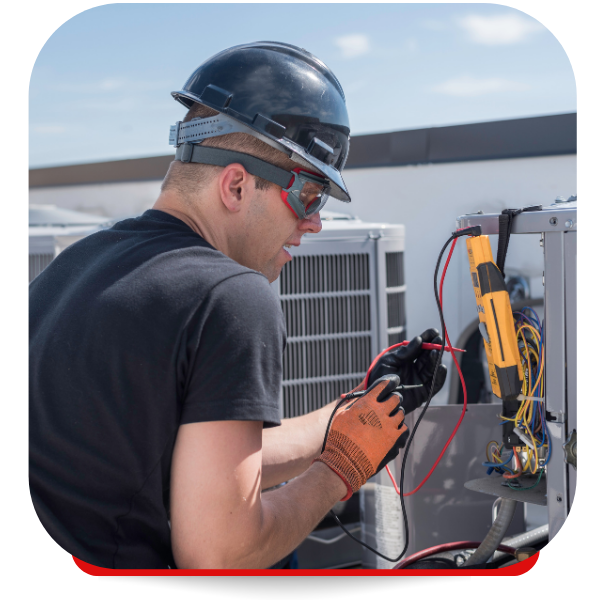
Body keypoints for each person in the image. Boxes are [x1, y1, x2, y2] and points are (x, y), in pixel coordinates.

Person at [28, 42, 446, 569]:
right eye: (309, 196)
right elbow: (221, 554)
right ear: (235, 184)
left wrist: (358, 411)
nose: (315, 222)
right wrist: (340, 470)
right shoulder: (230, 296)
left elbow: (201, 468)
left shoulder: (73, 268)